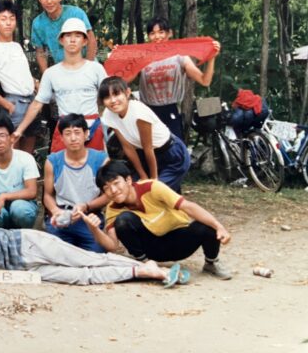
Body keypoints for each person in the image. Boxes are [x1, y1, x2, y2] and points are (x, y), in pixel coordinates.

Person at [80, 160, 232, 280]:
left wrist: (219, 226)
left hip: (178, 239)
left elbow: (188, 207)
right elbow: (112, 246)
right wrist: (94, 229)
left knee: (206, 225)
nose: (113, 190)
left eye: (116, 183)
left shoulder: (152, 187)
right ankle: (145, 265)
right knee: (123, 220)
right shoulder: (112, 208)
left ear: (128, 180)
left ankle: (211, 263)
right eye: (106, 188)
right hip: (151, 249)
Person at [0, 224, 181, 286]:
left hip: (29, 245)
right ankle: (141, 270)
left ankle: (146, 264)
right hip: (22, 269)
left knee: (90, 259)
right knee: (81, 278)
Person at [13, 18, 107, 152]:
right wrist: (19, 130)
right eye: (68, 35)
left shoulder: (96, 69)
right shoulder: (51, 73)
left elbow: (109, 97)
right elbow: (38, 103)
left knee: (95, 164)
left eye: (78, 35)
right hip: (65, 128)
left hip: (92, 126)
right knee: (59, 164)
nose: (72, 40)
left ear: (85, 41)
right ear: (61, 40)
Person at [132, 17, 221, 140]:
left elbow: (205, 81)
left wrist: (211, 58)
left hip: (170, 110)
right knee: (148, 149)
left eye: (161, 32)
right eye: (152, 33)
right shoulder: (142, 58)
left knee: (175, 147)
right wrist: (118, 58)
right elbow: (124, 80)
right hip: (148, 111)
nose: (157, 36)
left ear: (170, 33)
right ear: (148, 36)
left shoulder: (179, 56)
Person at [99, 76, 190, 193]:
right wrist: (143, 175)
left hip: (171, 154)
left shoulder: (139, 112)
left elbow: (148, 148)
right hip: (145, 155)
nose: (112, 100)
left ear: (127, 93)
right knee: (134, 191)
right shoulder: (109, 114)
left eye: (116, 94)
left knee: (154, 192)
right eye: (107, 97)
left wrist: (153, 180)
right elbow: (127, 147)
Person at [43, 114, 109, 252]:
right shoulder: (52, 161)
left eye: (77, 132)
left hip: (90, 216)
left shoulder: (101, 160)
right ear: (61, 137)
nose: (73, 138)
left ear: (86, 134)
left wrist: (86, 206)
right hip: (62, 214)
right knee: (56, 255)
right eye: (67, 133)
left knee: (95, 256)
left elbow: (108, 195)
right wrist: (55, 211)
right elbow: (47, 195)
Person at [0, 1, 39, 154]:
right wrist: (7, 105)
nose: (8, 23)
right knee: (13, 152)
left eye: (12, 18)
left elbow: (21, 73)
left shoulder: (16, 46)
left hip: (31, 101)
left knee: (29, 151)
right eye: (3, 18)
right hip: (14, 104)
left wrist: (34, 82)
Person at [32, 0, 96, 73]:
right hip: (64, 71)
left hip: (87, 67)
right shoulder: (38, 23)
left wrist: (87, 69)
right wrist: (46, 76)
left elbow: (91, 40)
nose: (49, 1)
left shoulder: (76, 13)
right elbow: (40, 52)